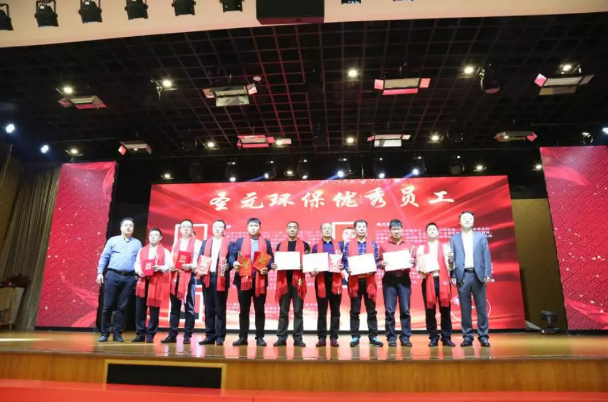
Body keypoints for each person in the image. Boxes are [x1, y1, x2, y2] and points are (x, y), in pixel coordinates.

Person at [449, 211, 492, 347]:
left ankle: (483, 336)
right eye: (464, 218)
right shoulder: (454, 238)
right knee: (465, 309)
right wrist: (453, 275)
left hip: (478, 275)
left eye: (470, 218)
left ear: (473, 221)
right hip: (462, 276)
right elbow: (451, 258)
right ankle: (468, 336)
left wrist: (487, 273)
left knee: (481, 308)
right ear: (460, 221)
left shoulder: (481, 237)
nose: (467, 220)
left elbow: (486, 256)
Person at [96, 218, 142, 342]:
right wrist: (100, 273)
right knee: (107, 305)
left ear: (133, 229)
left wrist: (137, 274)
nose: (128, 227)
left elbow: (139, 261)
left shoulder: (137, 243)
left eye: (131, 225)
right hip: (113, 275)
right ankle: (105, 333)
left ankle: (117, 333)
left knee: (122, 307)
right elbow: (104, 257)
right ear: (121, 227)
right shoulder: (113, 240)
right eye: (126, 225)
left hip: (129, 277)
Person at [229, 217, 274, 347]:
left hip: (260, 280)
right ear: (247, 227)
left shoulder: (266, 242)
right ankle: (243, 337)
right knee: (244, 310)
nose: (253, 228)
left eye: (256, 226)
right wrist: (234, 262)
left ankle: (260, 337)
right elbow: (232, 255)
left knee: (259, 310)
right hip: (243, 279)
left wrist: (268, 267)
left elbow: (271, 259)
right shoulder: (239, 241)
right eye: (251, 226)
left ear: (260, 227)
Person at [342, 220, 383, 347]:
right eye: (359, 227)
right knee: (355, 311)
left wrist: (374, 267)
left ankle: (373, 336)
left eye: (363, 227)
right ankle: (355, 337)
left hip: (369, 281)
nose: (361, 229)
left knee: (371, 311)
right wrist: (347, 268)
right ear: (355, 229)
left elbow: (376, 261)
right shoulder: (348, 245)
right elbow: (344, 261)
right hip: (355, 281)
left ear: (366, 229)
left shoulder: (373, 244)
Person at [162, 219, 202, 345]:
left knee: (189, 307)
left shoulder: (198, 243)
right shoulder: (176, 243)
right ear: (180, 229)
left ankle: (187, 335)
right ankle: (172, 334)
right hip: (176, 276)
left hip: (190, 276)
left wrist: (191, 266)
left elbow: (201, 261)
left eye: (188, 227)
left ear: (192, 229)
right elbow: (171, 258)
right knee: (175, 307)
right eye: (183, 227)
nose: (186, 229)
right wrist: (171, 265)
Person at [379, 219, 416, 347]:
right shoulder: (384, 245)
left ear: (402, 229)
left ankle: (405, 337)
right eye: (394, 229)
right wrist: (381, 264)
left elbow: (415, 262)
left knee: (405, 310)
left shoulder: (409, 245)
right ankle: (391, 337)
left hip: (404, 279)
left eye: (398, 229)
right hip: (389, 279)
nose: (396, 231)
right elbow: (379, 262)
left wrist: (413, 262)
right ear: (390, 230)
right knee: (389, 311)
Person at [416, 223, 455, 347]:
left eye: (434, 229)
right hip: (428, 281)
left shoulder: (446, 247)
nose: (432, 231)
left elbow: (451, 266)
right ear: (426, 233)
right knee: (430, 310)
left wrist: (451, 260)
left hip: (443, 280)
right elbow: (418, 266)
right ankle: (433, 337)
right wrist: (422, 269)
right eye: (429, 229)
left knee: (445, 309)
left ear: (438, 232)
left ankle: (446, 337)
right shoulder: (421, 248)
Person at [273, 221, 310, 347]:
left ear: (298, 230)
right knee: (283, 311)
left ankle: (298, 338)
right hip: (284, 282)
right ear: (286, 230)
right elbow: (276, 262)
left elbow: (309, 263)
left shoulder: (305, 245)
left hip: (298, 282)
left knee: (298, 311)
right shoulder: (280, 245)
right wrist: (274, 265)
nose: (292, 229)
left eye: (295, 227)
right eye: (290, 227)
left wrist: (305, 265)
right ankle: (281, 338)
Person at [132, 228, 171, 343]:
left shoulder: (165, 251)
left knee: (154, 310)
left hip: (156, 281)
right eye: (151, 235)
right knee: (140, 309)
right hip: (143, 281)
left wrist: (160, 267)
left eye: (156, 235)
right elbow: (137, 263)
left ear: (160, 238)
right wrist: (138, 271)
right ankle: (140, 334)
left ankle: (150, 334)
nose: (153, 237)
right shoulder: (142, 250)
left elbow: (168, 265)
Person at [198, 220, 232, 346]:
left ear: (224, 229)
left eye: (220, 227)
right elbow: (200, 257)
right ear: (212, 229)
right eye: (215, 226)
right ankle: (209, 335)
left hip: (220, 278)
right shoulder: (206, 243)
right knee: (209, 308)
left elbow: (232, 257)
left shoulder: (229, 243)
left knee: (220, 309)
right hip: (208, 278)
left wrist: (229, 265)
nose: (217, 228)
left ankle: (220, 336)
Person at [311, 223, 343, 347]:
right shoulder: (316, 247)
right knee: (322, 311)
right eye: (325, 228)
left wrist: (343, 266)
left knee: (335, 311)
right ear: (321, 230)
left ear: (332, 230)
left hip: (336, 281)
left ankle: (334, 337)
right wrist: (312, 270)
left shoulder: (339, 246)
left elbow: (344, 261)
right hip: (321, 281)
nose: (327, 230)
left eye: (329, 228)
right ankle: (322, 337)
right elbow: (312, 263)